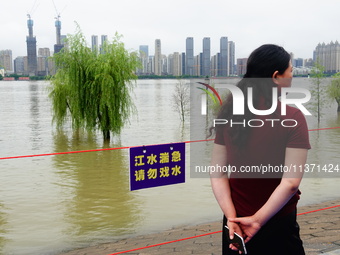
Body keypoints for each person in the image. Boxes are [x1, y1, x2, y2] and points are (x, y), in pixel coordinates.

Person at [210, 44, 311, 255]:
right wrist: (256, 221)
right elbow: (291, 183)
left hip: (235, 225)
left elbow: (217, 173)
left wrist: (231, 217)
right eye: (291, 70)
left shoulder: (229, 114)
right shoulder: (292, 118)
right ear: (276, 76)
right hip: (276, 222)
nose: (292, 76)